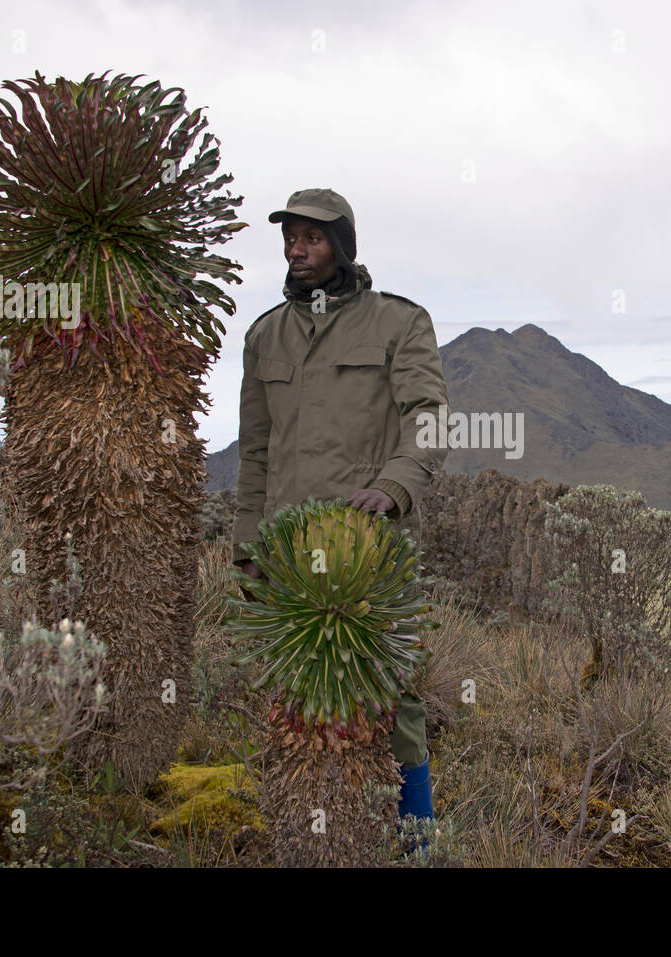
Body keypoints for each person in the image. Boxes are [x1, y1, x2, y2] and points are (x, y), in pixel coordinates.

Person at [232, 187, 450, 822]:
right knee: (292, 699)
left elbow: (430, 417)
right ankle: (314, 832)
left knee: (392, 694)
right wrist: (247, 547)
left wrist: (397, 484)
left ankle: (417, 840)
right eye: (291, 237)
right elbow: (255, 449)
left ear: (343, 246)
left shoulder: (398, 322)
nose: (298, 250)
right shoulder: (265, 335)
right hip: (286, 558)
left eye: (314, 238)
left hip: (370, 549)